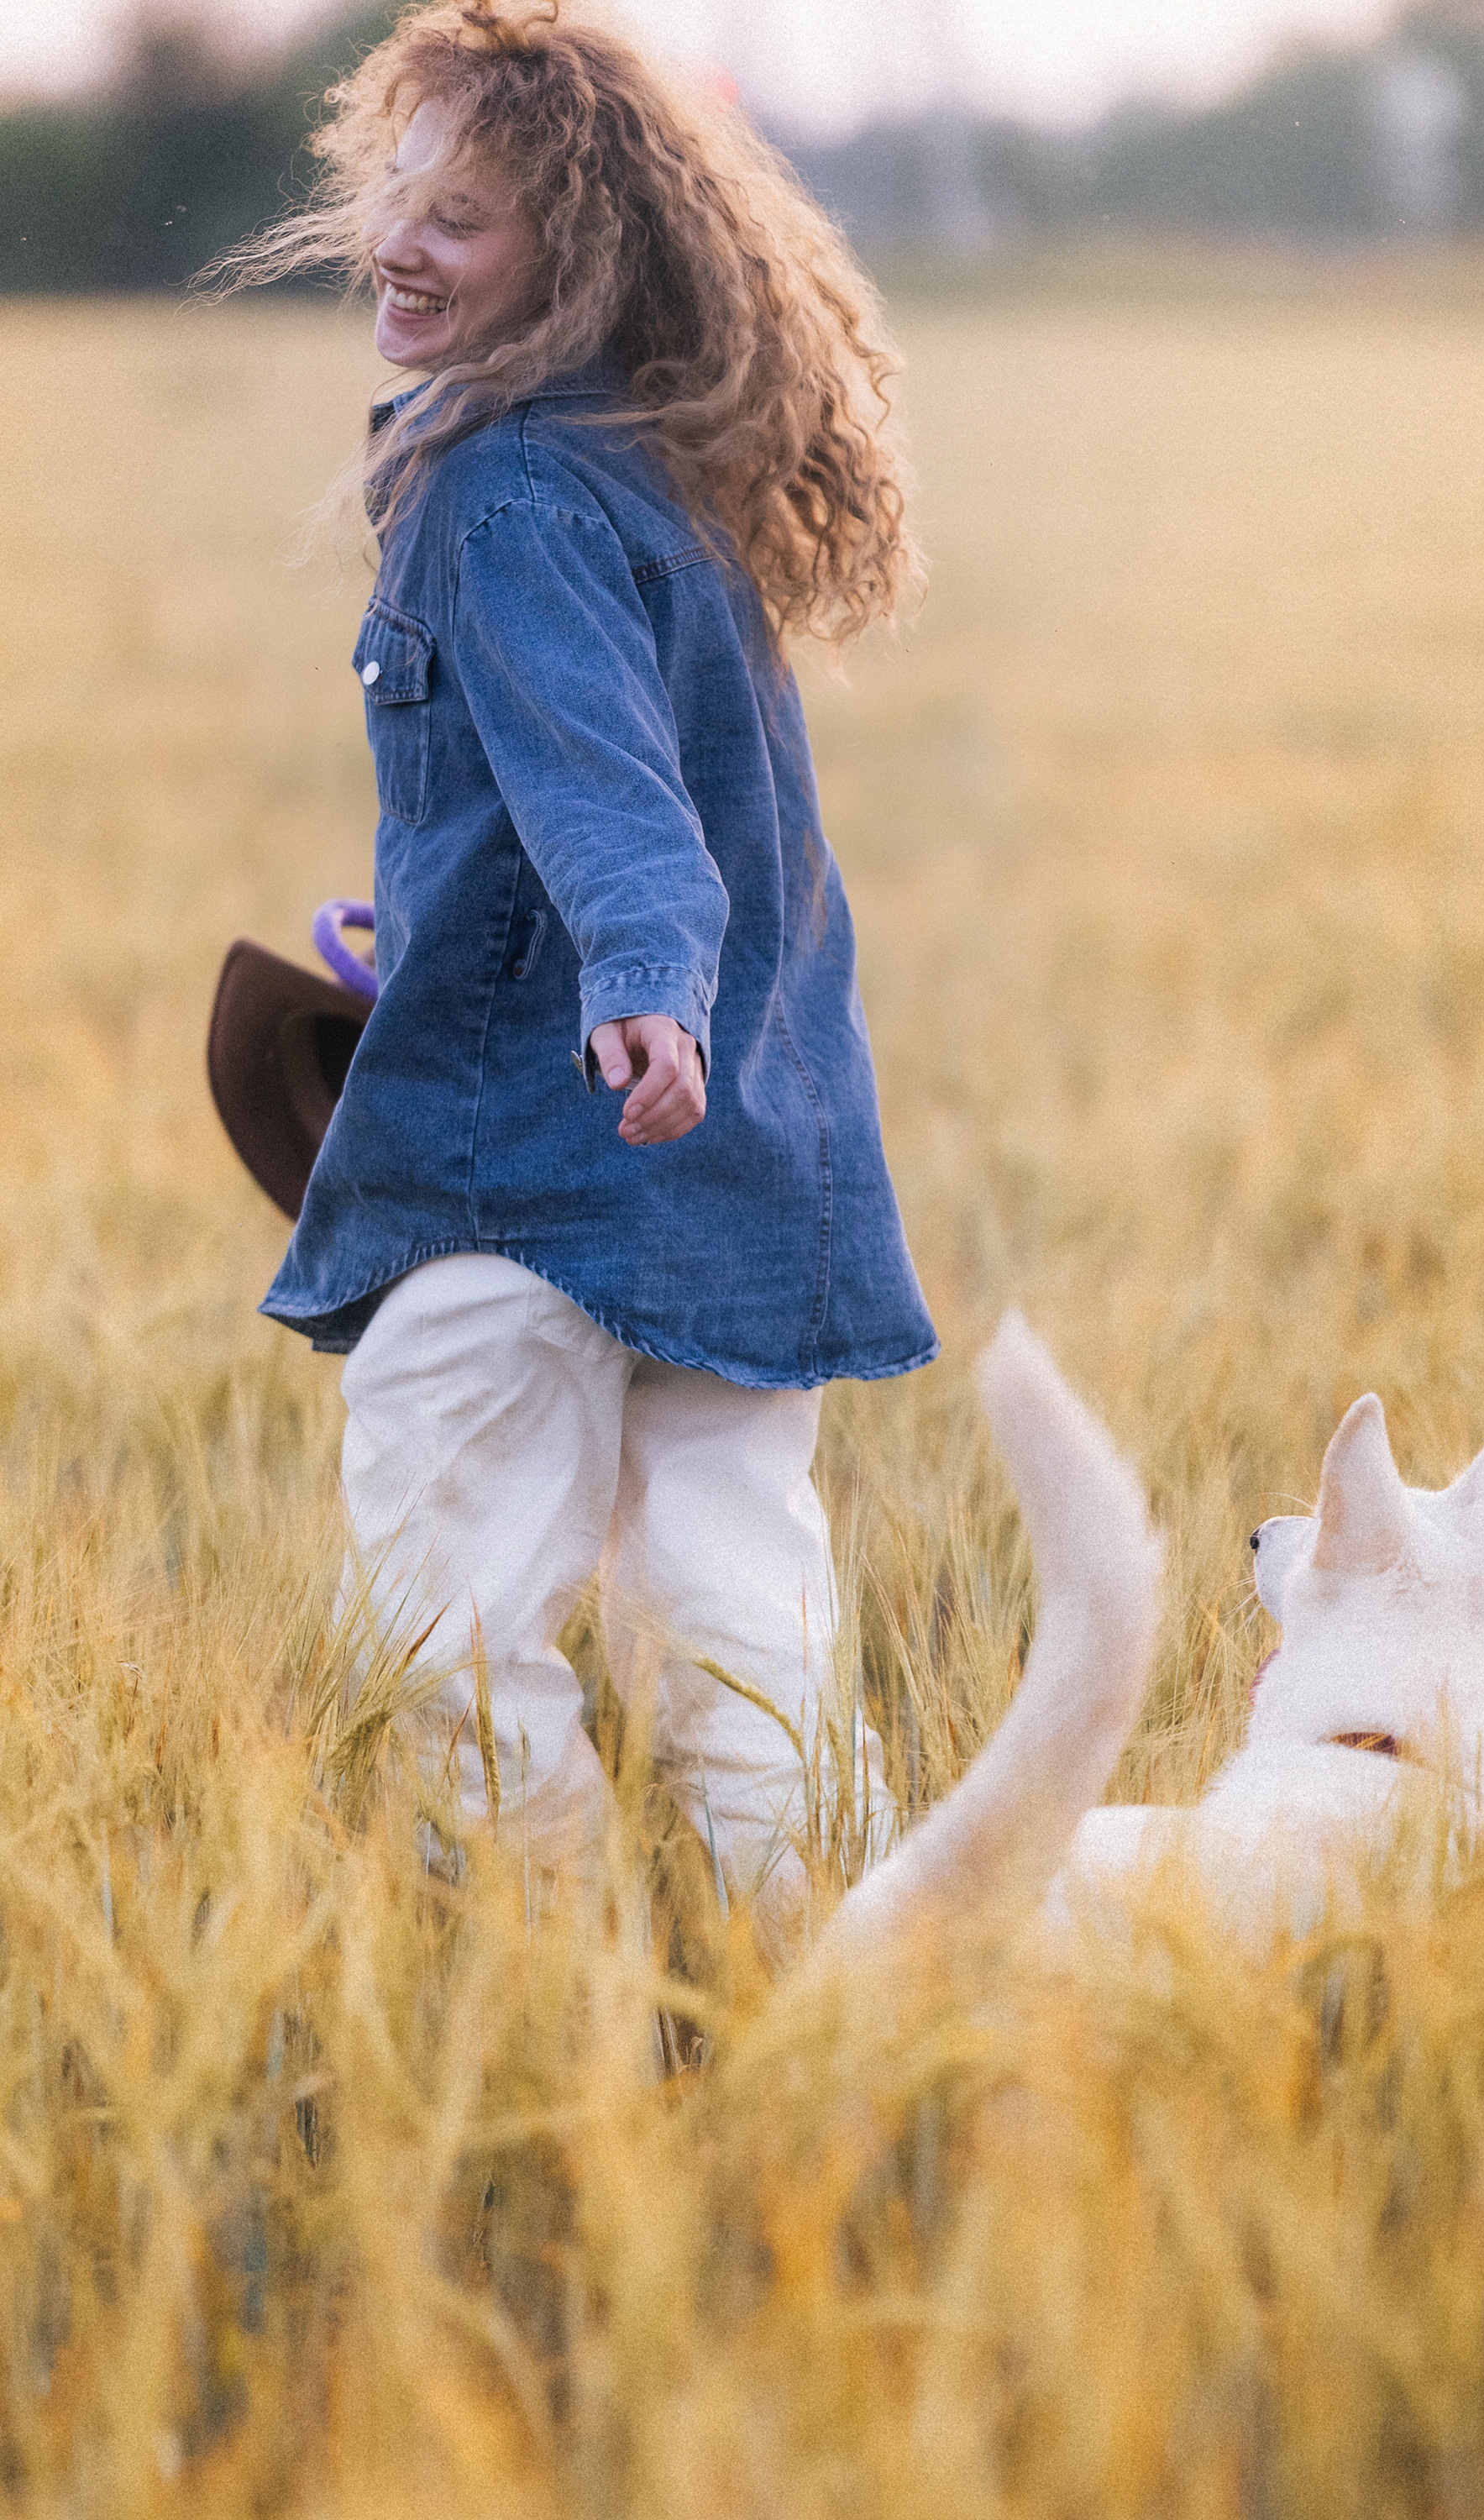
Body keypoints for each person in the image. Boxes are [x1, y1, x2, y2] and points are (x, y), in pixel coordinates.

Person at [222, 1, 936, 1949]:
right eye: (396, 188)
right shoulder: (662, 484)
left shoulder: (505, 487)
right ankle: (838, 1981)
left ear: (583, 255)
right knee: (741, 1608)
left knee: (443, 1620)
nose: (398, 240)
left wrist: (632, 969)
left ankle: (552, 1998)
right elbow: (599, 775)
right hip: (733, 1156)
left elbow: (614, 804)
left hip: (529, 1158)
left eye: (464, 214)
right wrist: (462, 923)